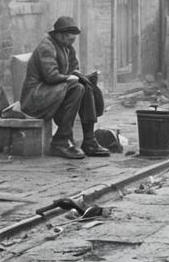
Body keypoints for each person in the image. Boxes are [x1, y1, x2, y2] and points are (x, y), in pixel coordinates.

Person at [21, 16, 109, 159]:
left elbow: (74, 69)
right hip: (36, 96)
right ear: (60, 35)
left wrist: (85, 77)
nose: (72, 42)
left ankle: (89, 140)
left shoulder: (67, 48)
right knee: (77, 87)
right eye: (70, 39)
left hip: (52, 92)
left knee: (84, 86)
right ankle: (60, 141)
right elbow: (50, 76)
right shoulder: (47, 46)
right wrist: (70, 78)